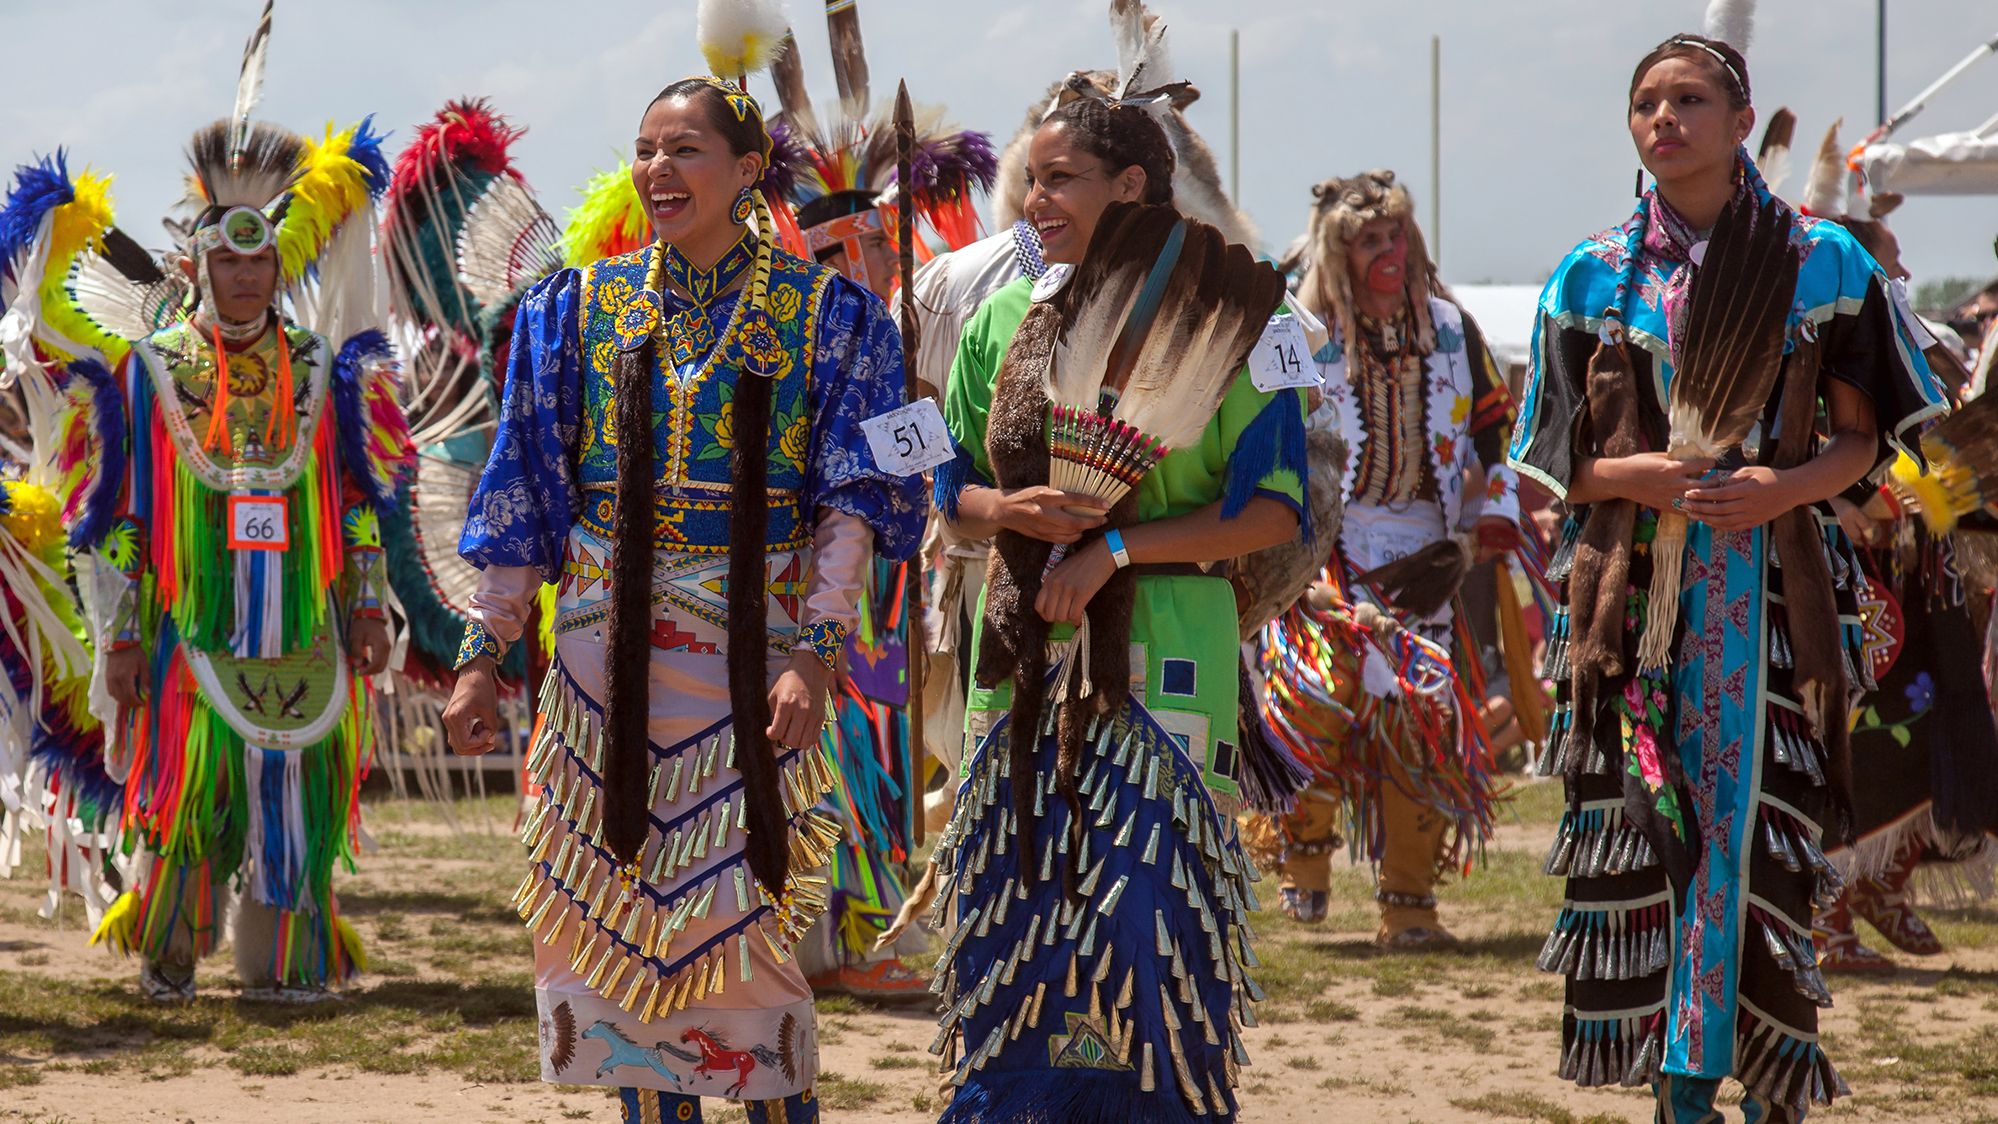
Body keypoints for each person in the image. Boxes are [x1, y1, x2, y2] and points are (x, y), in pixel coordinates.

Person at [442, 76, 924, 1123]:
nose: (658, 168)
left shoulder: (828, 316)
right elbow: (523, 488)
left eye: (687, 149)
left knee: (742, 928)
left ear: (749, 170)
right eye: (645, 148)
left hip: (749, 665)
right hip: (598, 671)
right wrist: (483, 651)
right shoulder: (577, 309)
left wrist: (814, 646)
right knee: (616, 924)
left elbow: (853, 499)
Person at [1509, 26, 1948, 1121]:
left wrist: (1781, 489)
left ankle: (1764, 1078)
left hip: (1777, 600)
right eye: (1648, 102)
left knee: (1763, 833)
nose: (1666, 119)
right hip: (1631, 604)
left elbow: (1863, 440)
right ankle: (1680, 1084)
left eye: (1692, 99)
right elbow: (1561, 458)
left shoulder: (1824, 263)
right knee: (1655, 833)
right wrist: (1641, 475)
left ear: (1742, 119)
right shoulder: (1593, 273)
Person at [929, 95, 1306, 1123]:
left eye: (1060, 178)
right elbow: (936, 470)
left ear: (1131, 185)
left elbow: (1275, 511)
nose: (1034, 198)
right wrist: (1000, 504)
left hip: (1168, 657)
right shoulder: (1001, 316)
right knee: (1016, 916)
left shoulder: (1243, 325)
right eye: (1031, 178)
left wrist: (1118, 550)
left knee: (1143, 921)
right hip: (1020, 662)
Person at [79, 109, 409, 1002]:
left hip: (303, 616)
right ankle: (174, 953)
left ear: (277, 266)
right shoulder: (152, 369)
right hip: (196, 615)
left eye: (259, 261)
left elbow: (355, 499)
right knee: (191, 790)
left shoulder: (318, 367)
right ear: (195, 265)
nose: (244, 276)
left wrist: (370, 606)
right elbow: (123, 518)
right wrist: (118, 635)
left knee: (298, 787)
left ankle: (289, 962)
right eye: (226, 261)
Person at [1243, 170, 1518, 947]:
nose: (1389, 251)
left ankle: (1408, 905)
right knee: (1312, 699)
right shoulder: (1304, 332)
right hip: (1323, 548)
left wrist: (1488, 513)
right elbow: (1267, 431)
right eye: (1370, 240)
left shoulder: (1452, 331)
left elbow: (1498, 432)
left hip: (1427, 554)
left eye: (1396, 234)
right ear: (1339, 252)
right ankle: (1301, 856)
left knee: (1422, 715)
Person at [1794, 123, 1998, 972]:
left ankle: (1883, 884)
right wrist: (1868, 501)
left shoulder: (1922, 346)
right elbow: (1810, 453)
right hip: (1852, 578)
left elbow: (1949, 448)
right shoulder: (1815, 349)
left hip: (1924, 580)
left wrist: (1941, 497)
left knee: (1939, 727)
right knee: (1862, 737)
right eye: (1890, 262)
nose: (1907, 275)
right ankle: (1827, 907)